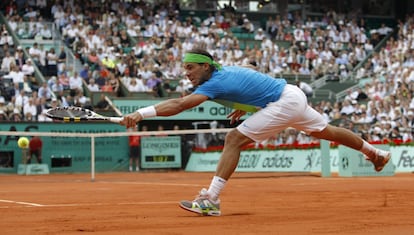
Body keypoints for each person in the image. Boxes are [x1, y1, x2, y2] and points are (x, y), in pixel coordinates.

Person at [120, 48, 391, 216]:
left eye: (190, 68)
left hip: (283, 102)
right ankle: (375, 153)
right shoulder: (224, 71)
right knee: (327, 131)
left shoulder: (215, 82)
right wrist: (246, 104)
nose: (187, 74)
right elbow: (250, 70)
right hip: (290, 94)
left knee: (233, 138)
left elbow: (179, 105)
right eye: (185, 69)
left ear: (205, 66)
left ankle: (211, 200)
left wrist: (140, 114)